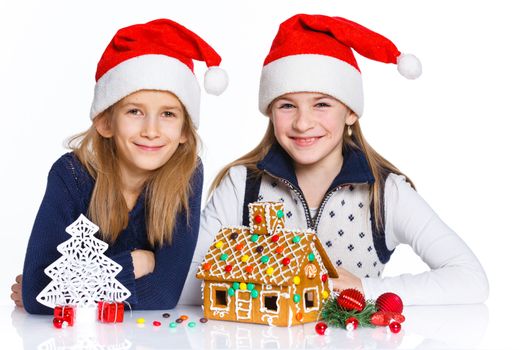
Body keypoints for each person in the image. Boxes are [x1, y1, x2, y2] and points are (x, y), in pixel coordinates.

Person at [182, 14, 488, 305]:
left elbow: (470, 279)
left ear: (351, 111)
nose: (303, 123)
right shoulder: (242, 185)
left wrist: (365, 289)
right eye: (287, 105)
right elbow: (186, 283)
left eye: (322, 104)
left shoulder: (385, 193)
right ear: (270, 112)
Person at [10, 18, 228, 314]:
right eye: (135, 111)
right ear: (105, 122)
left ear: (185, 132)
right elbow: (38, 292)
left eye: (168, 114)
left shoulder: (186, 174)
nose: (151, 130)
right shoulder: (71, 175)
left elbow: (165, 293)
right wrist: (135, 263)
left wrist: (70, 292)